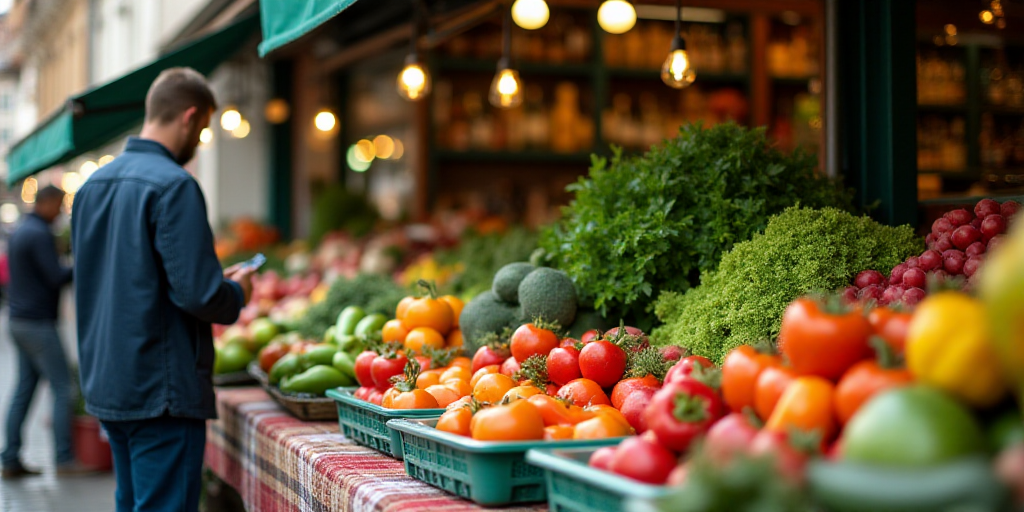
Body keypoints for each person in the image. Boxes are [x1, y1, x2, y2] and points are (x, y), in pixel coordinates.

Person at [71, 67, 253, 512]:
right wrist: (236, 291)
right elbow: (199, 295)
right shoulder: (174, 186)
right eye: (204, 128)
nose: (200, 139)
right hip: (161, 390)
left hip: (110, 383)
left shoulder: (90, 188)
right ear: (190, 117)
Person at [1, 185, 85, 478]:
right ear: (46, 202)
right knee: (64, 388)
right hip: (36, 324)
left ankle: (10, 458)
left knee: (24, 390)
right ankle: (64, 459)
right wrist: (83, 263)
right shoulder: (38, 234)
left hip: (20, 321)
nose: (60, 212)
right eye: (59, 205)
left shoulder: (24, 230)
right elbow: (55, 276)